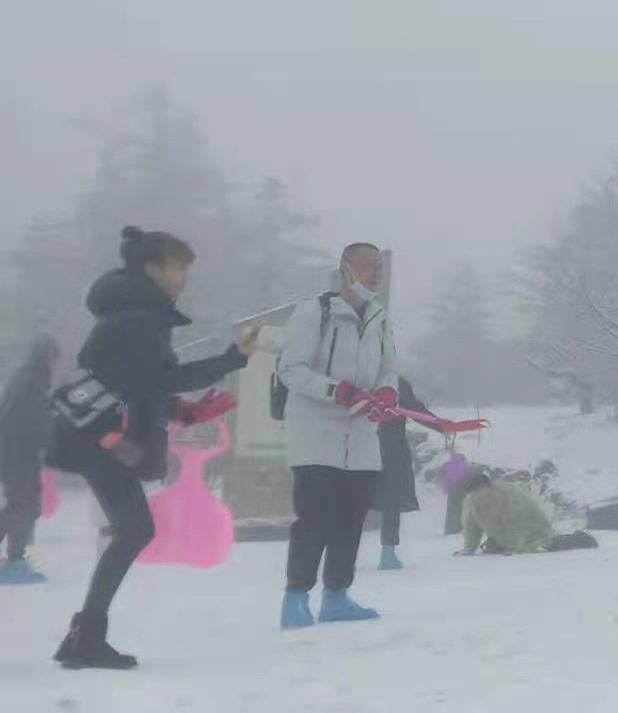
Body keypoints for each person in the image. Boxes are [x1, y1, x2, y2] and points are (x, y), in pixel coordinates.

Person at [46, 228, 251, 669]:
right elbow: (154, 381)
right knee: (135, 530)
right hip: (100, 438)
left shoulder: (132, 314)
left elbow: (136, 383)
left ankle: (84, 636)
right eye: (178, 267)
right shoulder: (137, 319)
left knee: (133, 530)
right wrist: (231, 360)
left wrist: (186, 412)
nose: (183, 278)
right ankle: (85, 637)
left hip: (93, 436)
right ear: (152, 267)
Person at [274, 241, 403, 628]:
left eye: (378, 267)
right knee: (315, 518)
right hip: (316, 432)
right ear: (345, 269)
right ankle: (296, 598)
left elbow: (389, 368)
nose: (375, 273)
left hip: (362, 434)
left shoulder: (380, 319)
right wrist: (339, 391)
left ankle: (337, 596)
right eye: (366, 266)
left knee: (351, 518)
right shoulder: (315, 312)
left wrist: (386, 391)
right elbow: (291, 369)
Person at [1, 337, 60, 584]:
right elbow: (35, 422)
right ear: (47, 356)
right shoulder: (33, 381)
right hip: (19, 453)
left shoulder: (25, 379)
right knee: (26, 507)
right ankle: (15, 562)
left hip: (12, 452)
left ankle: (15, 559)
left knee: (19, 505)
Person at [372, 374, 433, 571]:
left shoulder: (358, 376)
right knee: (392, 501)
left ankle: (344, 554)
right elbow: (415, 410)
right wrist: (442, 425)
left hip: (358, 447)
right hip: (391, 450)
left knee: (352, 501)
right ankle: (387, 553)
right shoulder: (395, 382)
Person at [456, 472, 598, 554]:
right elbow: (471, 529)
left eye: (481, 490)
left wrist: (513, 547)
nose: (478, 495)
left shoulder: (507, 494)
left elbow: (517, 520)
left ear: (489, 486)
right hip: (504, 538)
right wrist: (468, 549)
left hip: (534, 531)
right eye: (474, 492)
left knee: (554, 544)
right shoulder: (470, 503)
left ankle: (580, 539)